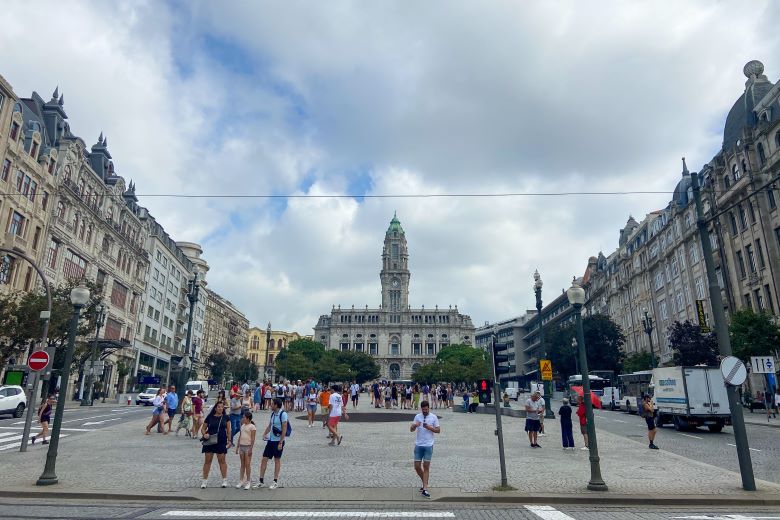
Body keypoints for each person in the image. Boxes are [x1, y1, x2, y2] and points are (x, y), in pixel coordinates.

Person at [253, 397, 287, 489]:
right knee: (264, 458)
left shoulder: (283, 414)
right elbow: (270, 425)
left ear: (276, 405)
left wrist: (281, 442)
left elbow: (284, 429)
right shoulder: (273, 414)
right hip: (271, 440)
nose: (270, 405)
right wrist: (264, 433)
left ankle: (275, 481)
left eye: (272, 404)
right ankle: (261, 480)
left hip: (278, 441)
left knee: (277, 460)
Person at [410, 400, 440, 499]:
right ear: (421, 409)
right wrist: (414, 426)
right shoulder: (417, 416)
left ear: (429, 408)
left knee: (426, 467)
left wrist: (429, 427)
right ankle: (425, 482)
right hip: (418, 445)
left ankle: (425, 489)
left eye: (426, 409)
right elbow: (411, 429)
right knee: (417, 467)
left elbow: (438, 430)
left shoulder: (433, 417)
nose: (425, 411)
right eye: (423, 410)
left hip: (428, 445)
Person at [200, 400, 232, 488]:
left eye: (222, 407)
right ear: (215, 408)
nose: (220, 408)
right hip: (210, 440)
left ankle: (224, 480)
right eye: (219, 407)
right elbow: (203, 428)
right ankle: (204, 481)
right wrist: (204, 434)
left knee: (222, 460)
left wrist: (229, 440)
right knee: (207, 461)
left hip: (221, 440)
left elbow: (229, 430)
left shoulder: (226, 417)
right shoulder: (210, 417)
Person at [235, 411, 256, 490]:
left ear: (247, 418)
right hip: (242, 446)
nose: (242, 418)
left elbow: (253, 439)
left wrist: (251, 448)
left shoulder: (252, 427)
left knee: (247, 464)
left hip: (247, 447)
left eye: (243, 417)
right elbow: (240, 436)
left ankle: (248, 481)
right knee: (242, 464)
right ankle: (241, 480)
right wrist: (237, 447)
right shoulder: (242, 425)